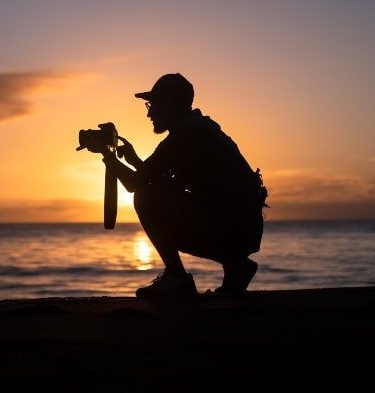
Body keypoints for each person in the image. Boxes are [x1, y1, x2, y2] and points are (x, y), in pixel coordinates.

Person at [88, 72, 266, 298]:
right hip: (242, 228)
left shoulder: (184, 137)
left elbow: (135, 184)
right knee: (155, 193)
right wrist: (133, 160)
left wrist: (105, 153)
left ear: (172, 104)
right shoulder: (200, 128)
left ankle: (178, 279)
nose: (150, 113)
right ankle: (235, 265)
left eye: (153, 104)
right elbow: (164, 183)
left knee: (145, 197)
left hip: (232, 228)